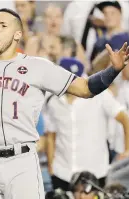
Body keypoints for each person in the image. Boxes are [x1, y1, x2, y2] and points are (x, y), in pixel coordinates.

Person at [0, 8, 129, 199]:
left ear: (18, 34)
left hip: (21, 161)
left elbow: (85, 88)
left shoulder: (38, 67)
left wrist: (112, 71)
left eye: (3, 25)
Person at [44, 58, 129, 191]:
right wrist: (51, 166)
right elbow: (51, 134)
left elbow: (125, 118)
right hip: (62, 172)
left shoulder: (100, 94)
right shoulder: (52, 100)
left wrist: (127, 150)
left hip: (95, 171)